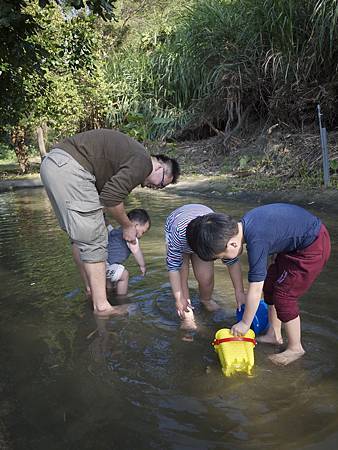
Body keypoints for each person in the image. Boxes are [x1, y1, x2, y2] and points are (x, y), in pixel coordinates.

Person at [40, 128, 180, 316]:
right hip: (70, 168)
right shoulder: (143, 162)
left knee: (80, 237)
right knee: (94, 237)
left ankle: (93, 291)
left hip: (54, 165)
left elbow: (103, 197)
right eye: (162, 183)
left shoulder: (131, 157)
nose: (157, 188)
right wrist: (127, 226)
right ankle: (102, 307)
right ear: (160, 167)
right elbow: (111, 198)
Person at [187, 203, 331, 366]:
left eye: (223, 256)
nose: (225, 260)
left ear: (232, 244)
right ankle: (274, 334)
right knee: (270, 285)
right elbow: (279, 231)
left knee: (284, 295)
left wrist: (245, 324)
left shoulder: (256, 241)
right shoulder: (247, 225)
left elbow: (255, 290)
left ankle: (295, 348)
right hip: (294, 247)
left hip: (312, 247)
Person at [165, 204, 220, 331]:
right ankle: (187, 315)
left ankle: (206, 300)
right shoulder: (177, 233)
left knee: (206, 277)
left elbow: (231, 259)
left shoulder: (215, 234)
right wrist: (179, 299)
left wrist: (239, 291)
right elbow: (173, 267)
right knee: (182, 273)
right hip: (178, 228)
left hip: (203, 232)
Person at [106, 208, 150, 295]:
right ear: (136, 226)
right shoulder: (131, 236)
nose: (141, 235)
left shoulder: (116, 231)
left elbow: (107, 226)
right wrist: (142, 266)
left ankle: (109, 293)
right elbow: (136, 251)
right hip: (107, 266)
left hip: (102, 263)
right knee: (124, 275)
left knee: (111, 281)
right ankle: (122, 299)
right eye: (143, 232)